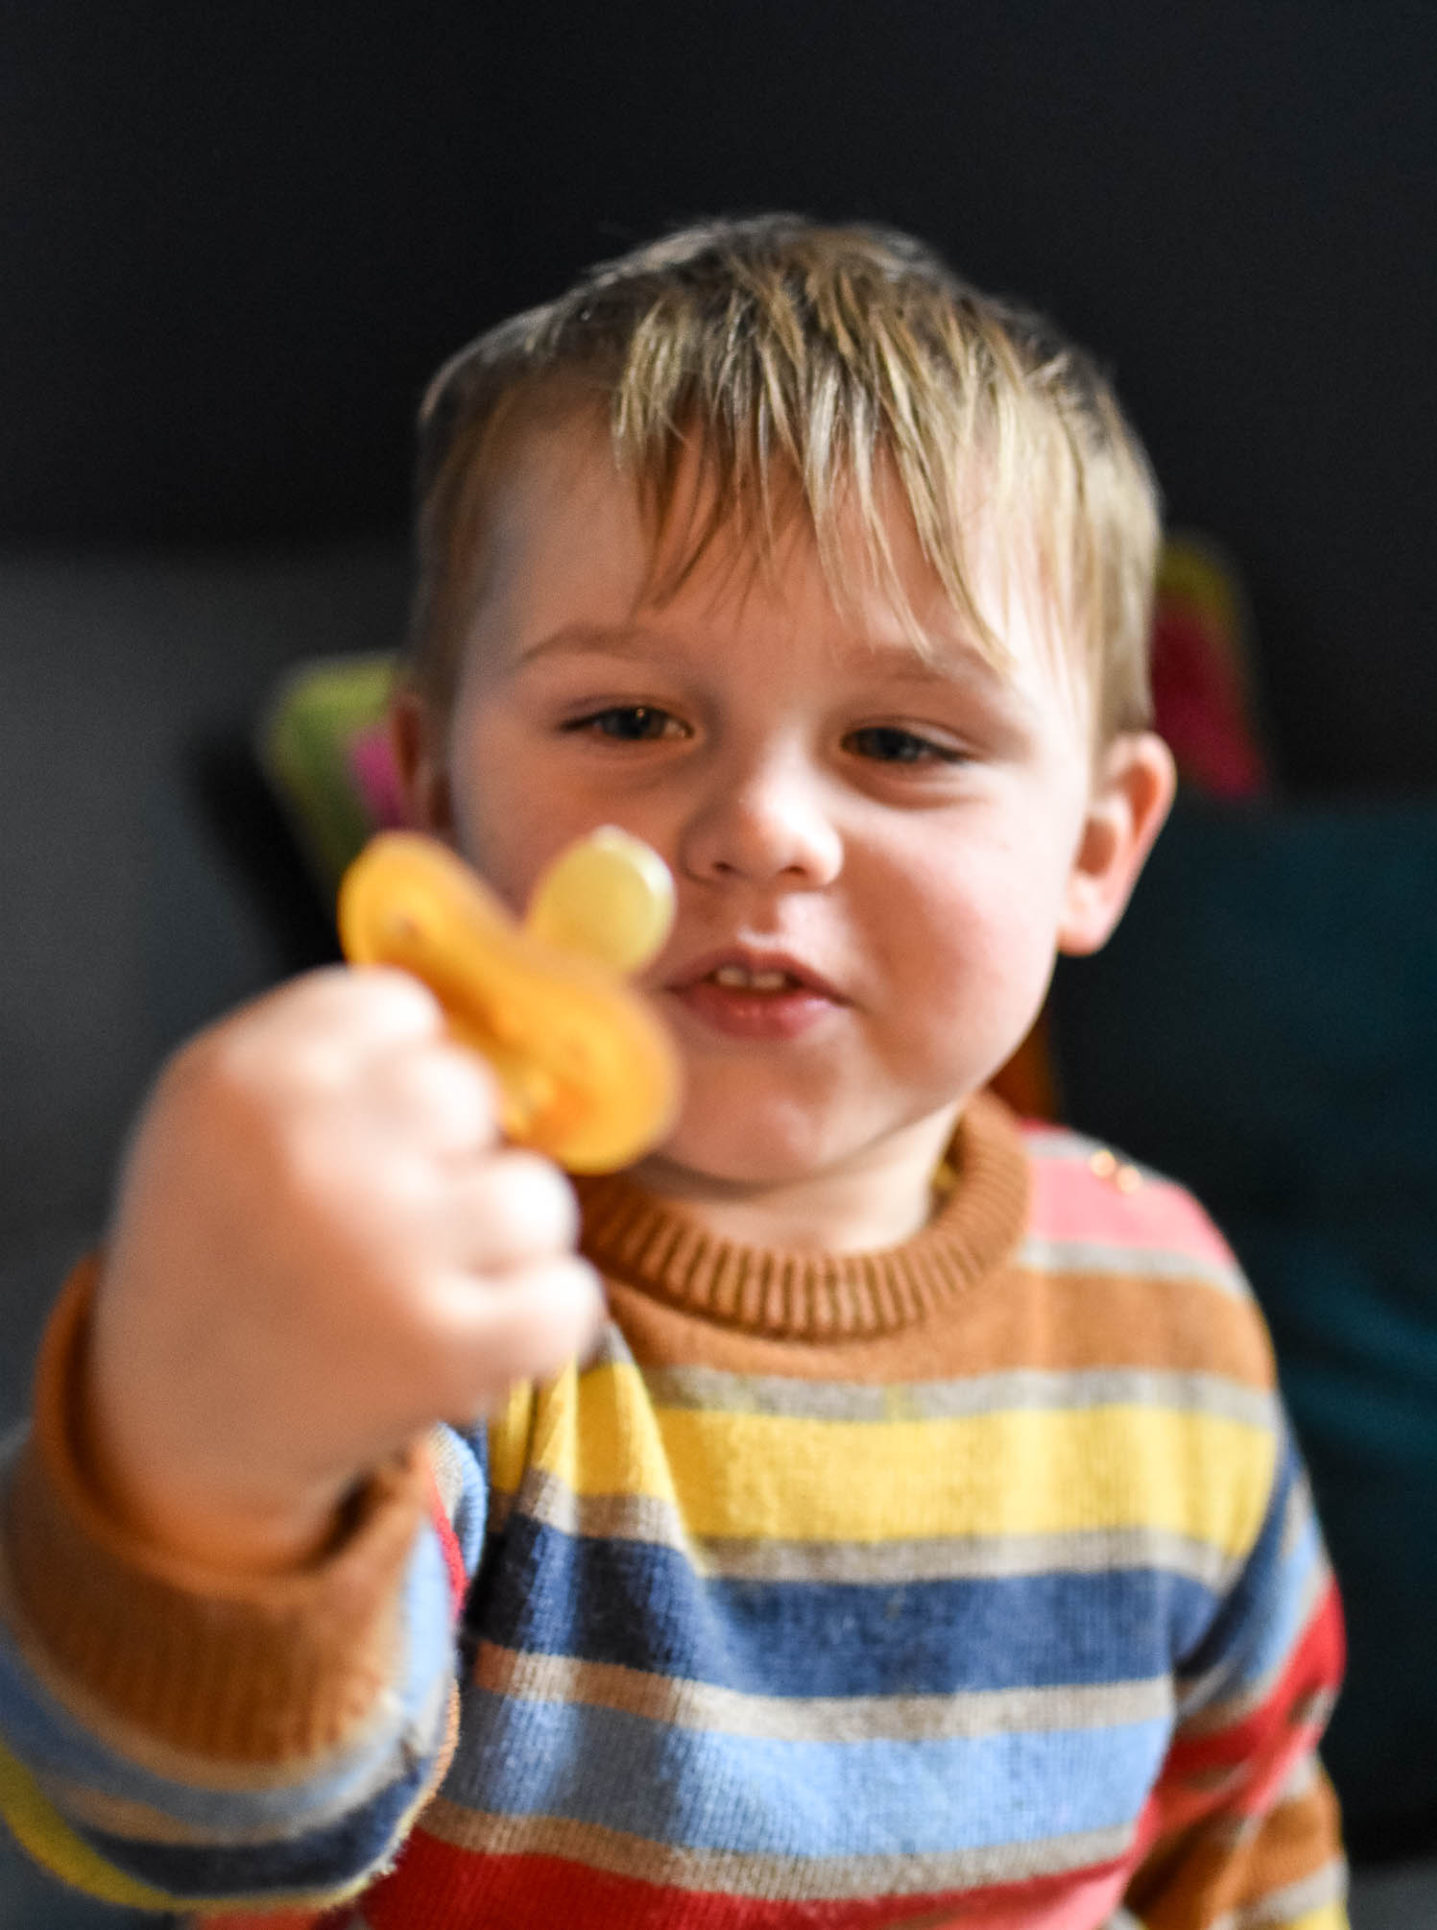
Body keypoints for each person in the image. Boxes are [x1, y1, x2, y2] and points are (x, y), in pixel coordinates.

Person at [0, 217, 1346, 1928]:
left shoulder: (1174, 1314)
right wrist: (212, 1464)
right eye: (629, 720)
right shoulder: (439, 1304)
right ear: (427, 790)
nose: (763, 829)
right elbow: (187, 1824)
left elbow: (1243, 1833)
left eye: (902, 742)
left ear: (1095, 847)